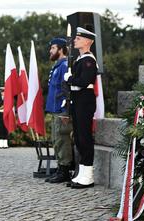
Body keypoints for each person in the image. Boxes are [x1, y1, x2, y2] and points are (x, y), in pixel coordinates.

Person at [64, 27, 98, 189]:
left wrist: (70, 78)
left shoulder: (89, 60)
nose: (75, 40)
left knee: (84, 137)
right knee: (78, 137)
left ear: (87, 41)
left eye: (79, 38)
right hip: (78, 100)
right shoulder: (80, 60)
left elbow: (85, 81)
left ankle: (88, 175)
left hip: (85, 100)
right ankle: (82, 173)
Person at [44, 37, 73, 184]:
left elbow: (66, 90)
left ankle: (65, 170)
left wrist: (65, 111)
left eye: (53, 48)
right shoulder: (57, 65)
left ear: (61, 49)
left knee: (62, 140)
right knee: (56, 140)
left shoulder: (64, 66)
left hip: (61, 110)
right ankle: (61, 168)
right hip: (55, 109)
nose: (50, 50)